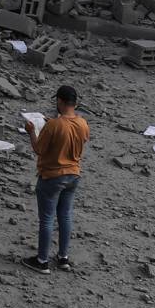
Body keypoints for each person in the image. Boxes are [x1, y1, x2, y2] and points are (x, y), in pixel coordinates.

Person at [22, 84, 90, 273]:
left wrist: (31, 132)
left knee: (47, 218)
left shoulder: (53, 125)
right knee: (65, 215)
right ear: (75, 103)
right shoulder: (83, 123)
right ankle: (63, 258)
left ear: (60, 101)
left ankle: (42, 261)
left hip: (52, 176)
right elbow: (74, 135)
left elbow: (39, 149)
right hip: (73, 175)